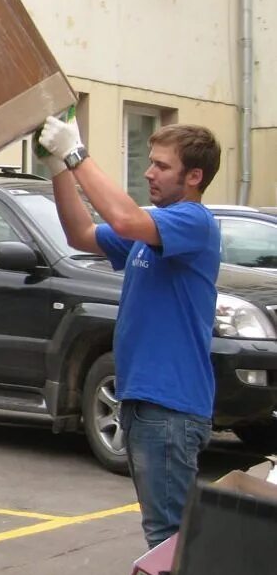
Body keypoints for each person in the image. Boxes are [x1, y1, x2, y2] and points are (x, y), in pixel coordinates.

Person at [37, 116, 221, 549]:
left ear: (193, 177)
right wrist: (59, 171)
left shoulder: (193, 222)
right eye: (151, 162)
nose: (148, 172)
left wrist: (76, 154)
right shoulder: (152, 229)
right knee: (162, 536)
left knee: (169, 540)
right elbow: (81, 234)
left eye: (161, 166)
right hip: (143, 402)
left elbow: (122, 218)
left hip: (170, 407)